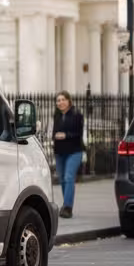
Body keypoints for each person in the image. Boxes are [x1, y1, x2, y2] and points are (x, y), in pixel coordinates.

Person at [52, 91, 85, 219]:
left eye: (63, 100)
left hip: (74, 151)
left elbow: (78, 134)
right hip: (59, 152)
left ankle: (67, 207)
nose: (60, 102)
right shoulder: (57, 116)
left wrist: (65, 135)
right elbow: (53, 133)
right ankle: (66, 204)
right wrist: (55, 136)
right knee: (62, 179)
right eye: (58, 100)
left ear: (68, 101)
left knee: (69, 177)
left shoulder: (77, 115)